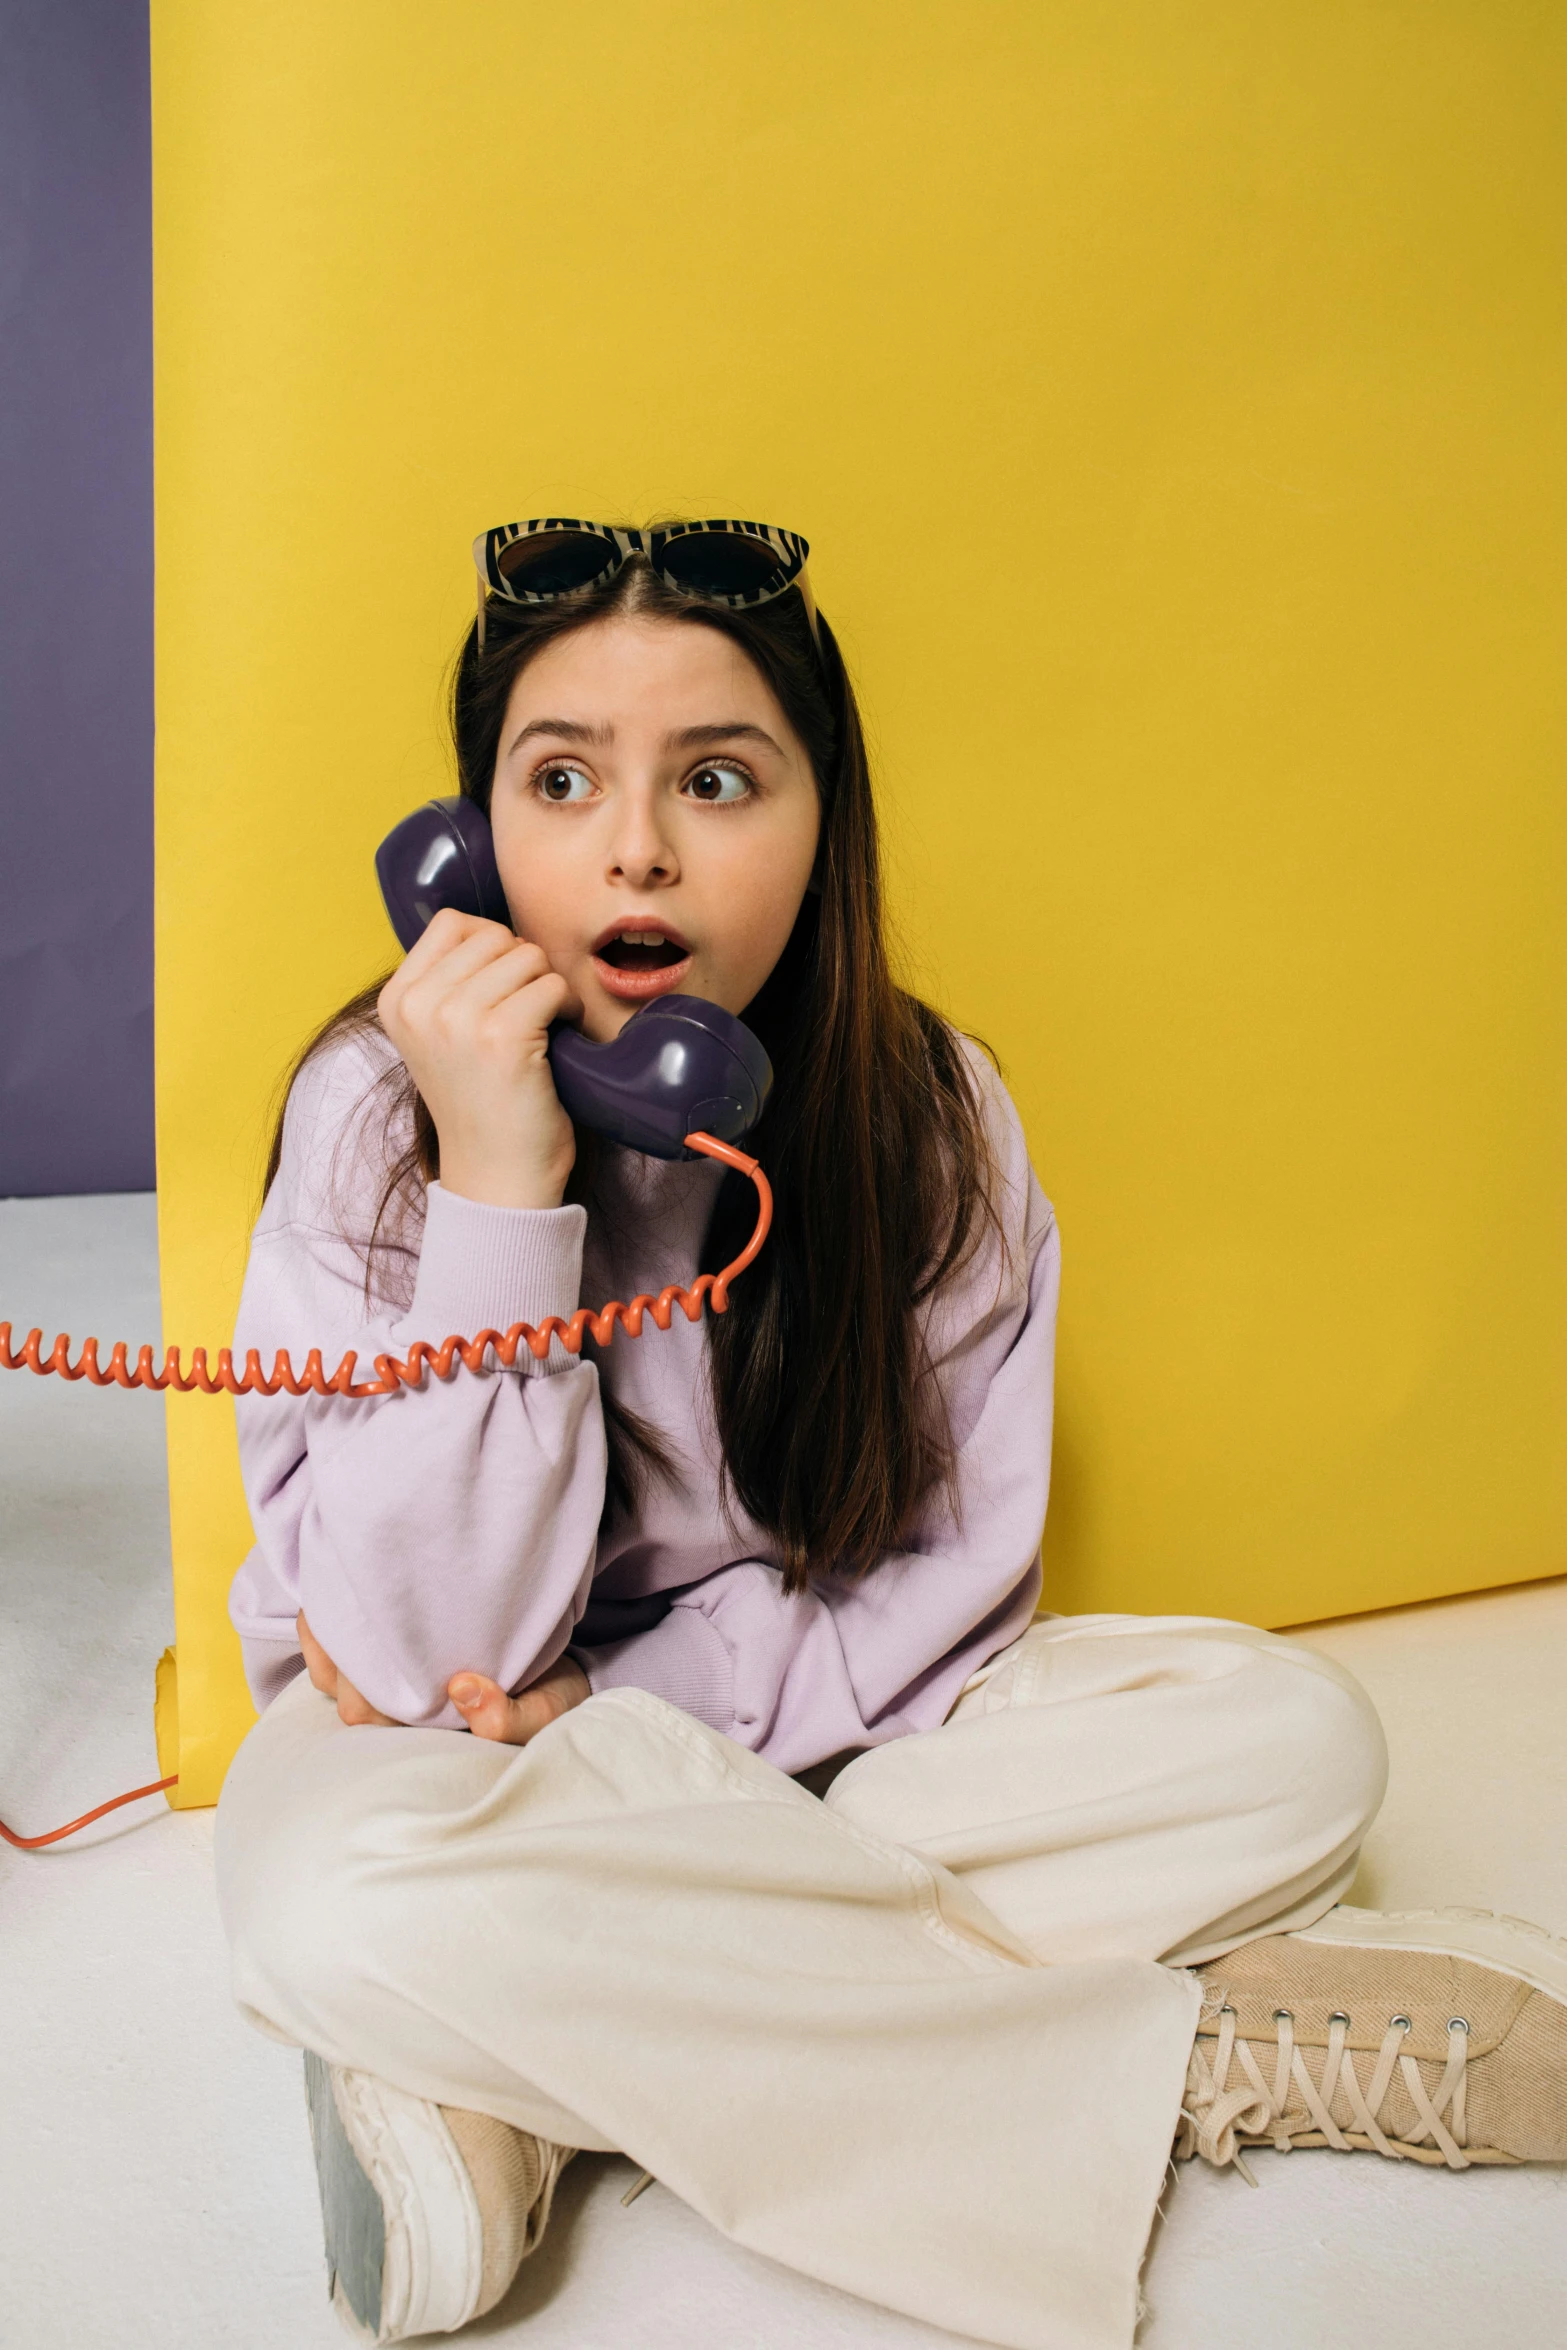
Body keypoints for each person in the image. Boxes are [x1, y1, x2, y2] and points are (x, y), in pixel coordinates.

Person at [214, 520, 1567, 2350]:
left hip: (817, 1751)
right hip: (462, 1763)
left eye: (714, 777)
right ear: (471, 843)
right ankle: (1191, 2060)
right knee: (324, 1887)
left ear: (819, 820)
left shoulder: (929, 1114)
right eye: (559, 780)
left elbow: (939, 1597)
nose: (636, 846)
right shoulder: (376, 1114)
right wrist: (502, 1187)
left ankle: (540, 2075)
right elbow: (407, 1658)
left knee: (1283, 1741)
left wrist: (633, 1732)